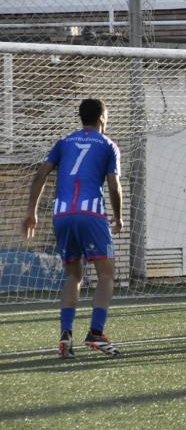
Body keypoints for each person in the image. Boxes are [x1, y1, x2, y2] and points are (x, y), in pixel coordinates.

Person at [23, 98, 123, 358]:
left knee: (73, 275)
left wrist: (32, 212)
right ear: (102, 118)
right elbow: (114, 186)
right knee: (106, 274)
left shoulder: (64, 142)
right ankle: (96, 333)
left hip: (62, 215)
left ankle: (66, 335)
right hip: (91, 214)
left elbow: (40, 175)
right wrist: (118, 217)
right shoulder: (108, 145)